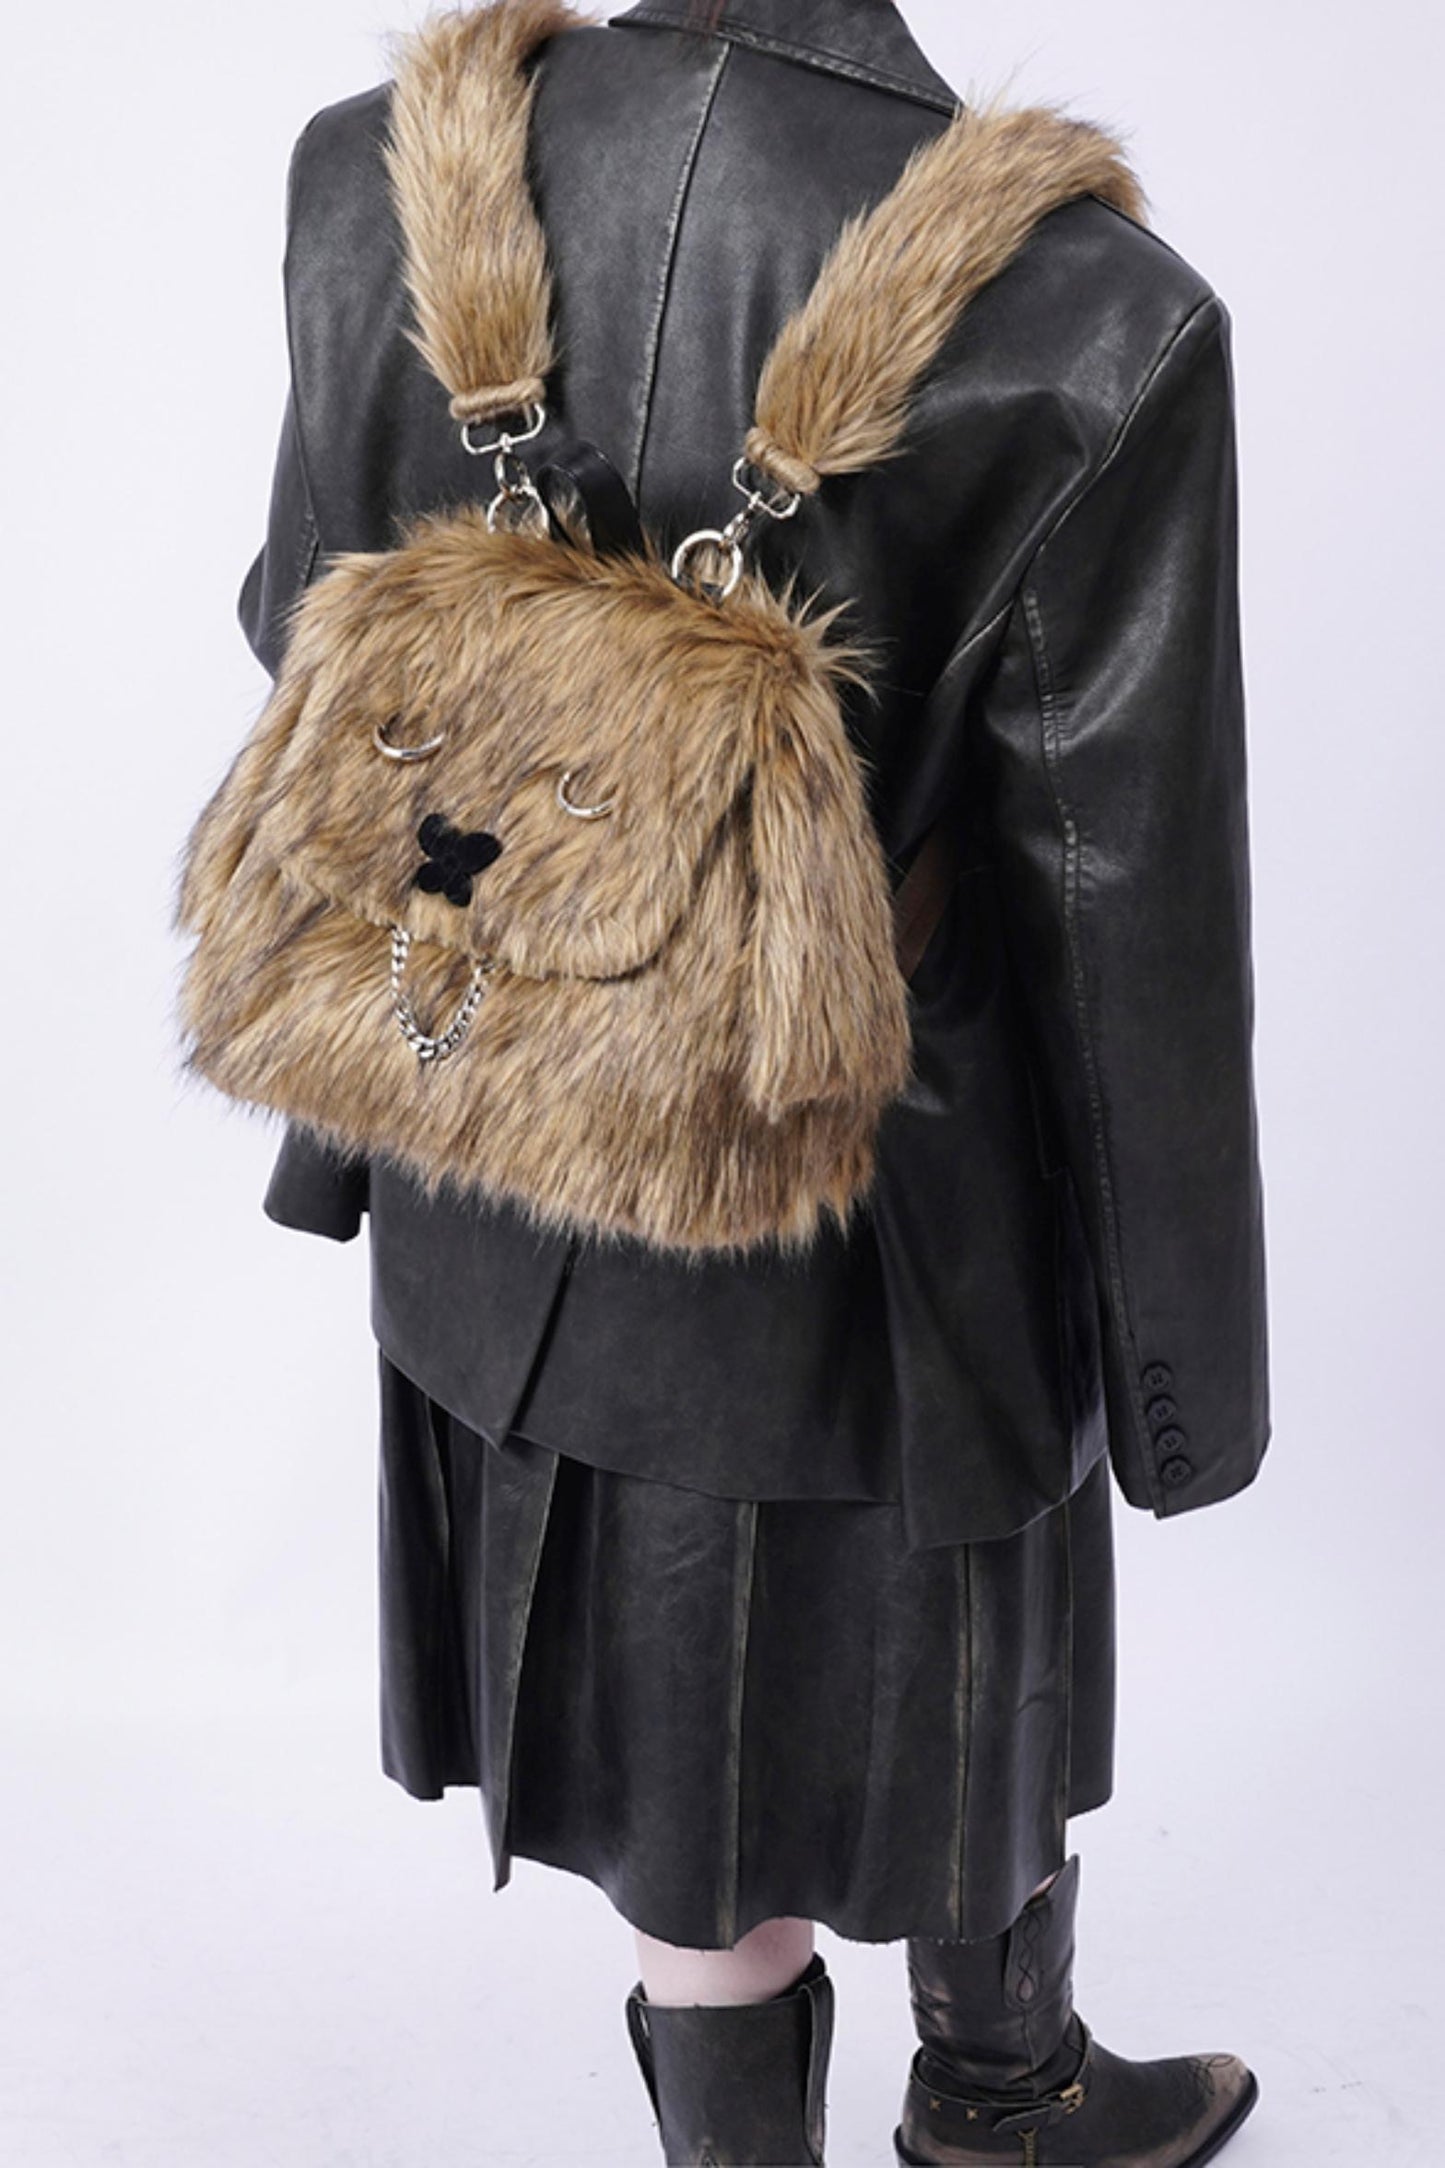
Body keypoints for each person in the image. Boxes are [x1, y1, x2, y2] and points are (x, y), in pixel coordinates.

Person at [238, 0, 1270, 2159]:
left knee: (680, 1765)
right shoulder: (1089, 318)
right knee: (960, 1649)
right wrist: (1185, 1375)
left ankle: (987, 2091)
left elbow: (305, 645)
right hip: (881, 1203)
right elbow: (1126, 908)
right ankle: (1004, 2095)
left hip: (486, 1128)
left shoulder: (377, 177)